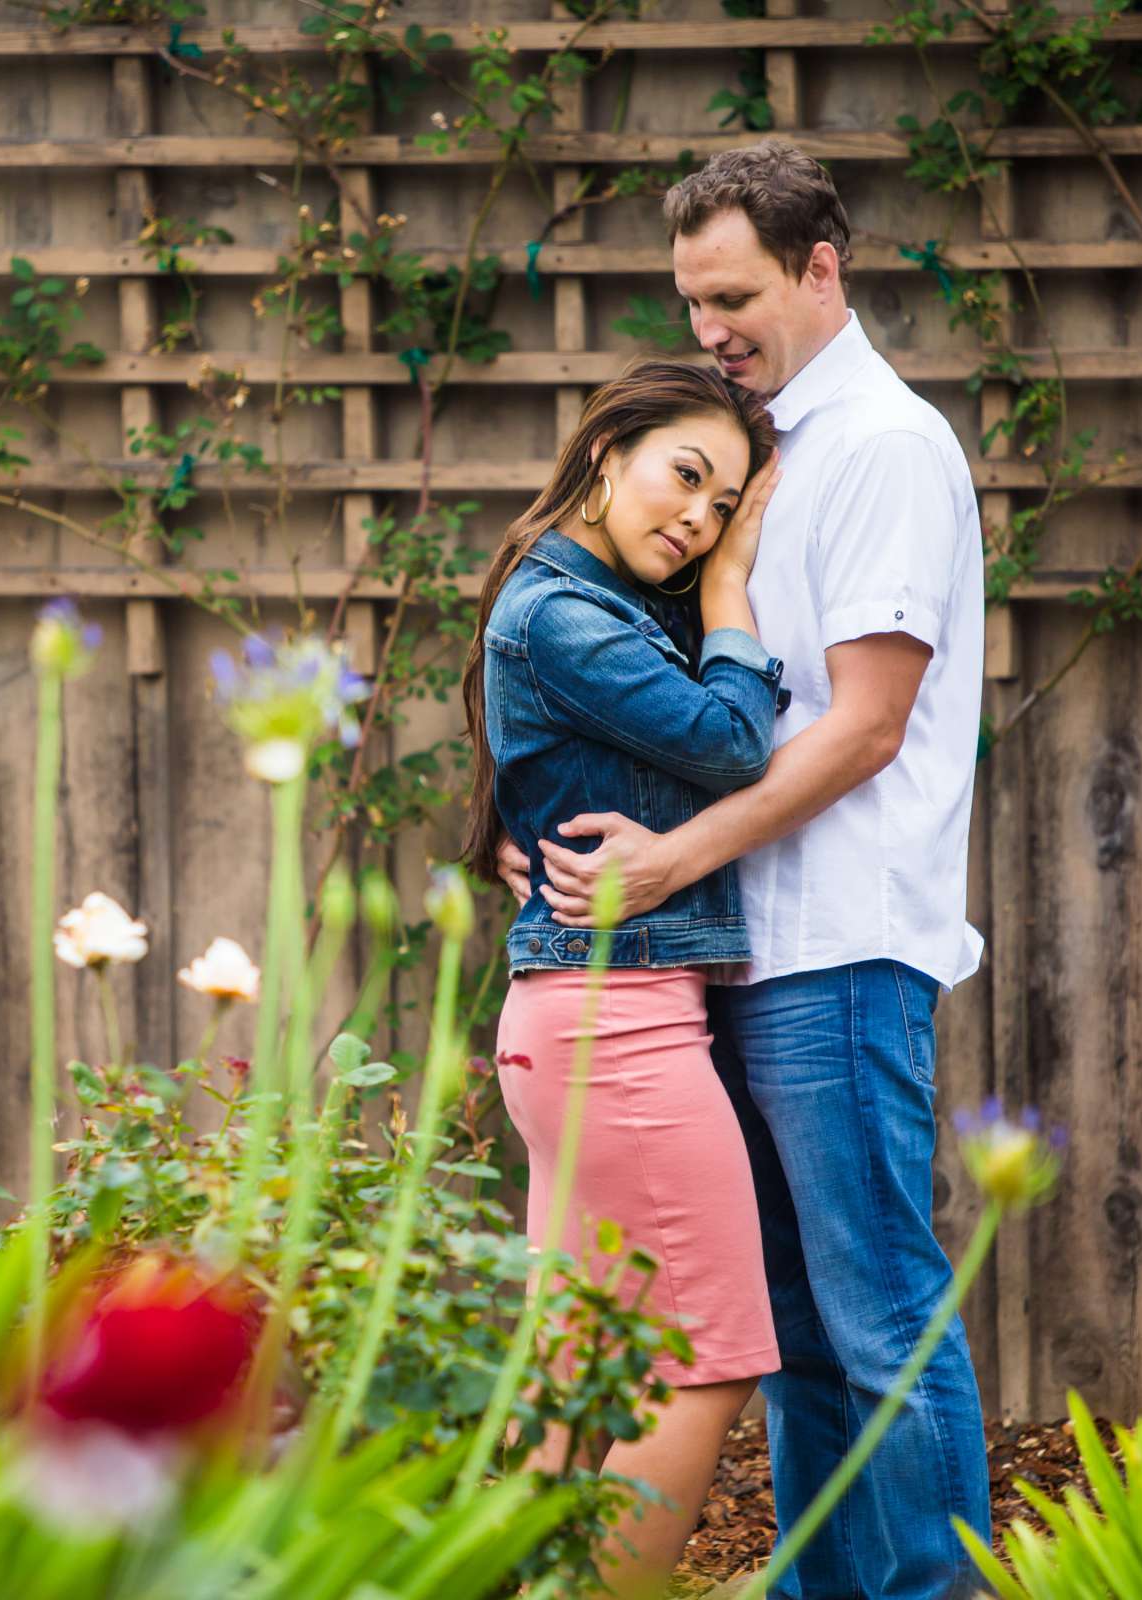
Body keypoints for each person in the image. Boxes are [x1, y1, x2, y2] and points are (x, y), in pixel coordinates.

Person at [498, 140, 993, 1599]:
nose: (708, 326)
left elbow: (864, 728)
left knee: (881, 1309)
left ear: (820, 268)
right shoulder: (768, 446)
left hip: (835, 945)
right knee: (794, 1323)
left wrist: (668, 866)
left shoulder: (886, 448)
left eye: (732, 294)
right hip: (743, 951)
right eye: (690, 299)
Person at [461, 358, 787, 1595]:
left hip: (589, 1018)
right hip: (620, 1027)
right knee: (708, 1354)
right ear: (609, 454)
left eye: (723, 506)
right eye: (685, 477)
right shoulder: (560, 613)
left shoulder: (580, 602)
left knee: (576, 1369)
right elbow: (731, 739)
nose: (698, 520)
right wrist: (739, 585)